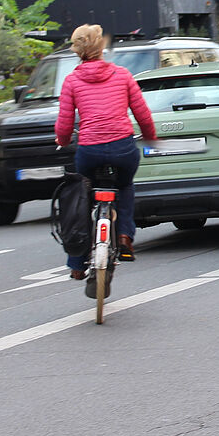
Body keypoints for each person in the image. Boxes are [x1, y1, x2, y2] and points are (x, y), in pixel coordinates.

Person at [54, 23, 157, 280]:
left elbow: (65, 123)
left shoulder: (72, 80)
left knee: (81, 197)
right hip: (123, 148)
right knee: (125, 186)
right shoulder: (122, 75)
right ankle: (124, 236)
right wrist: (150, 136)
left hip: (89, 150)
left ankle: (77, 263)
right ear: (102, 48)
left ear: (78, 51)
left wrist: (63, 140)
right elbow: (142, 114)